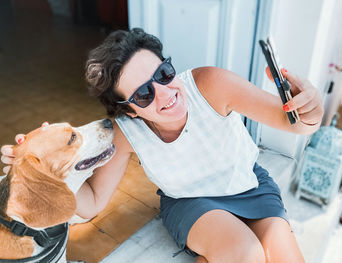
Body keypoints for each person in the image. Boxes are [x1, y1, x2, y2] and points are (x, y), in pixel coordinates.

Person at [1, 28, 323, 263]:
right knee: (247, 254)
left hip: (248, 184)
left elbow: (292, 121)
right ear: (130, 109)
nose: (165, 93)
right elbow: (93, 202)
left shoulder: (211, 84)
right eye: (143, 94)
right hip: (190, 202)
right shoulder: (125, 131)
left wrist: (312, 108)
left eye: (164, 73)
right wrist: (40, 169)